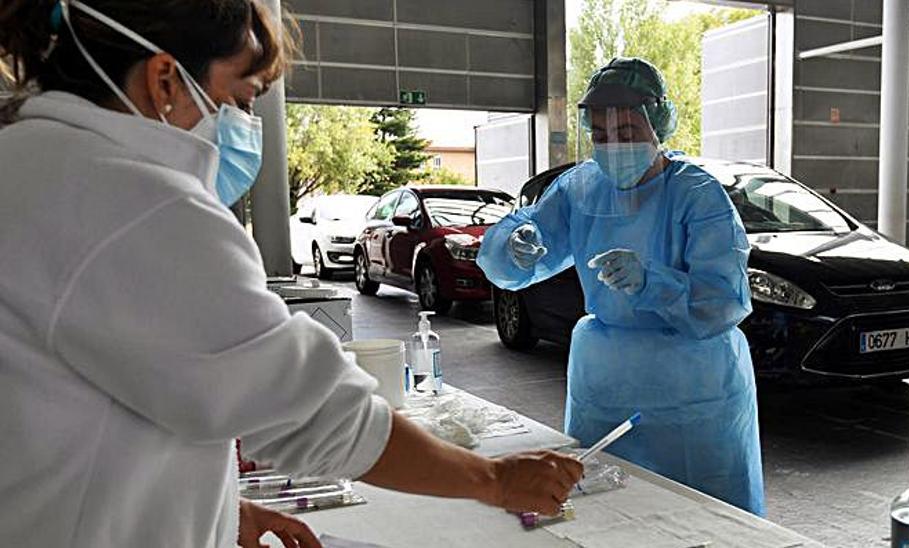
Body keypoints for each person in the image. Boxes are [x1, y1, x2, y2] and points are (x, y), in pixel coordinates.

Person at [0, 2, 582, 546]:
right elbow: (307, 409)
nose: (247, 123)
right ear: (165, 81)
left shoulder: (31, 162)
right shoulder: (133, 200)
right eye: (243, 97)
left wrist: (224, 509)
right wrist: (495, 480)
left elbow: (98, 401)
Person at [478, 57, 765, 516]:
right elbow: (512, 261)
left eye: (627, 131)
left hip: (692, 388)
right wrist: (514, 245)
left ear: (658, 125)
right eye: (600, 134)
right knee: (605, 511)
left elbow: (723, 303)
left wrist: (653, 281)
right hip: (607, 385)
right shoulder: (580, 189)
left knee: (704, 518)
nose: (613, 144)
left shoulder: (696, 194)